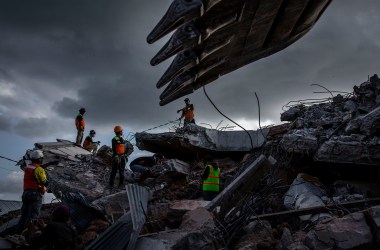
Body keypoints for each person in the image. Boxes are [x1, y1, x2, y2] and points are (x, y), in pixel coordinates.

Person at [16, 150, 48, 234]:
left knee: (24, 216)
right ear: (39, 159)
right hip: (35, 194)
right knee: (33, 217)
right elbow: (44, 181)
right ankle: (30, 238)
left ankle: (17, 235)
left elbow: (36, 170)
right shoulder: (39, 169)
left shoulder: (28, 168)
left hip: (26, 193)